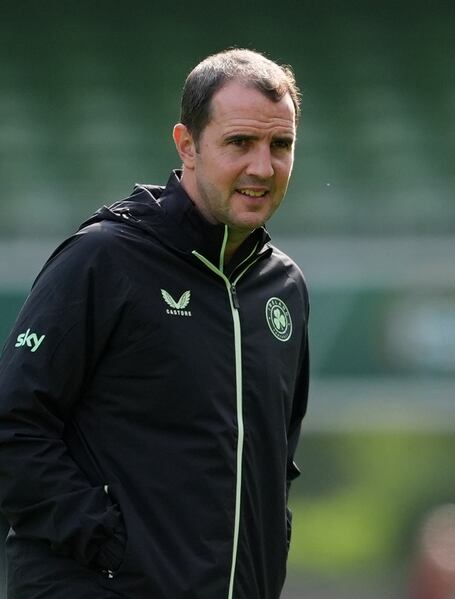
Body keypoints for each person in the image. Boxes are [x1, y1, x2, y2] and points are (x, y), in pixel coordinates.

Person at [0, 48, 310, 599]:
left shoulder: (284, 289)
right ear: (187, 144)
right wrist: (109, 544)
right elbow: (12, 425)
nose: (262, 167)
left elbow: (275, 466)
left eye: (279, 145)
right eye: (240, 142)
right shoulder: (103, 259)